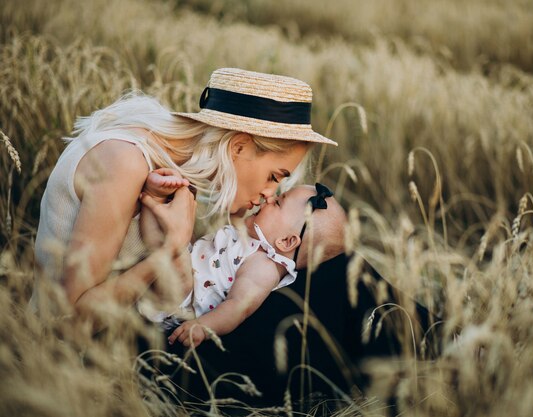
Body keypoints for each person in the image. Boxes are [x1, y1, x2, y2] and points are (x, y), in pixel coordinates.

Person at [32, 67, 337, 316]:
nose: (270, 195)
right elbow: (64, 319)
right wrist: (168, 250)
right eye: (274, 176)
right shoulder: (125, 162)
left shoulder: (177, 174)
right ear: (238, 146)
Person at [138, 171, 346, 347]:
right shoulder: (254, 236)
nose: (269, 199)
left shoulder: (264, 267)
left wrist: (203, 327)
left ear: (287, 241)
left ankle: (153, 200)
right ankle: (154, 198)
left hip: (184, 298)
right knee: (170, 241)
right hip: (186, 264)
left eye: (278, 203)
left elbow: (238, 306)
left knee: (172, 248)